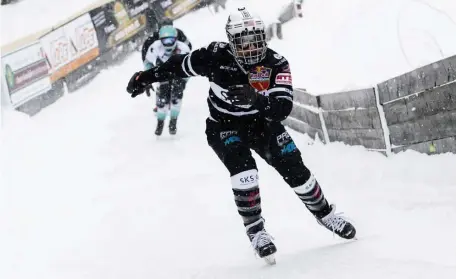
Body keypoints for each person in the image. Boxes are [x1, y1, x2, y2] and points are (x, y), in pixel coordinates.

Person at [127, 7, 356, 263]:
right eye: (243, 43)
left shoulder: (275, 62)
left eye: (255, 41)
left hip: (263, 125)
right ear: (231, 41)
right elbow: (178, 66)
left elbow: (283, 108)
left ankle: (325, 214)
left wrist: (256, 99)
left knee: (296, 171)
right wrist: (145, 76)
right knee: (245, 173)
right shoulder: (214, 55)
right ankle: (256, 231)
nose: (250, 49)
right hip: (223, 126)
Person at [142, 25, 191, 135]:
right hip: (163, 74)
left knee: (176, 98)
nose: (168, 44)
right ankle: (160, 121)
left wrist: (184, 81)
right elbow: (148, 62)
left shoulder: (183, 49)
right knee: (161, 99)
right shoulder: (155, 47)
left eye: (171, 40)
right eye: (165, 41)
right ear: (160, 40)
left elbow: (190, 66)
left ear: (176, 39)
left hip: (178, 75)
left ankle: (173, 121)